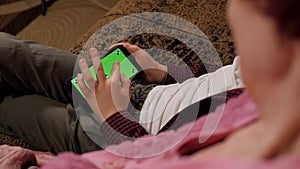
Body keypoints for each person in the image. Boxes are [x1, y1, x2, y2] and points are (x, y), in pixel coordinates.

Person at [39, 0, 300, 168]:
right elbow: (218, 85)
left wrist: (112, 116)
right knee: (21, 56)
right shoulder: (257, 95)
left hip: (128, 135)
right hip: (151, 92)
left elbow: (158, 155)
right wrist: (161, 72)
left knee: (21, 108)